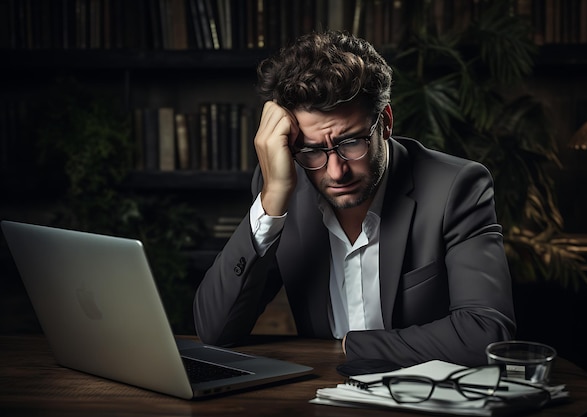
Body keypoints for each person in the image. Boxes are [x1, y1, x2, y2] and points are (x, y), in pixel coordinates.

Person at [193, 30, 516, 367]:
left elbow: (487, 333)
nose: (335, 171)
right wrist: (272, 199)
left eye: (350, 143)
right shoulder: (282, 186)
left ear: (385, 123)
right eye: (313, 149)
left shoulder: (456, 187)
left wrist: (354, 346)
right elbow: (216, 331)